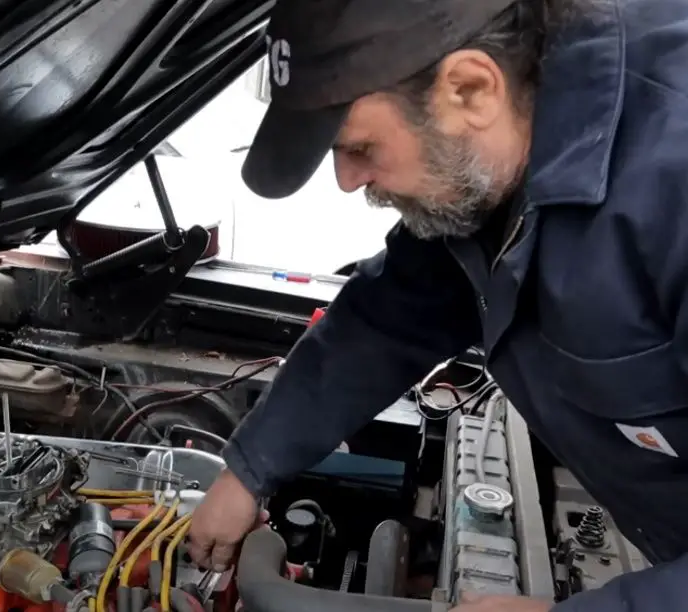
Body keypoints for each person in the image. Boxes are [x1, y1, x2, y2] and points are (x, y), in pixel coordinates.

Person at [186, 0, 688, 610]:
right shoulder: (495, 154)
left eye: (361, 147)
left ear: (470, 88)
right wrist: (248, 469)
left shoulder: (671, 187)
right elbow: (392, 314)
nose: (346, 180)